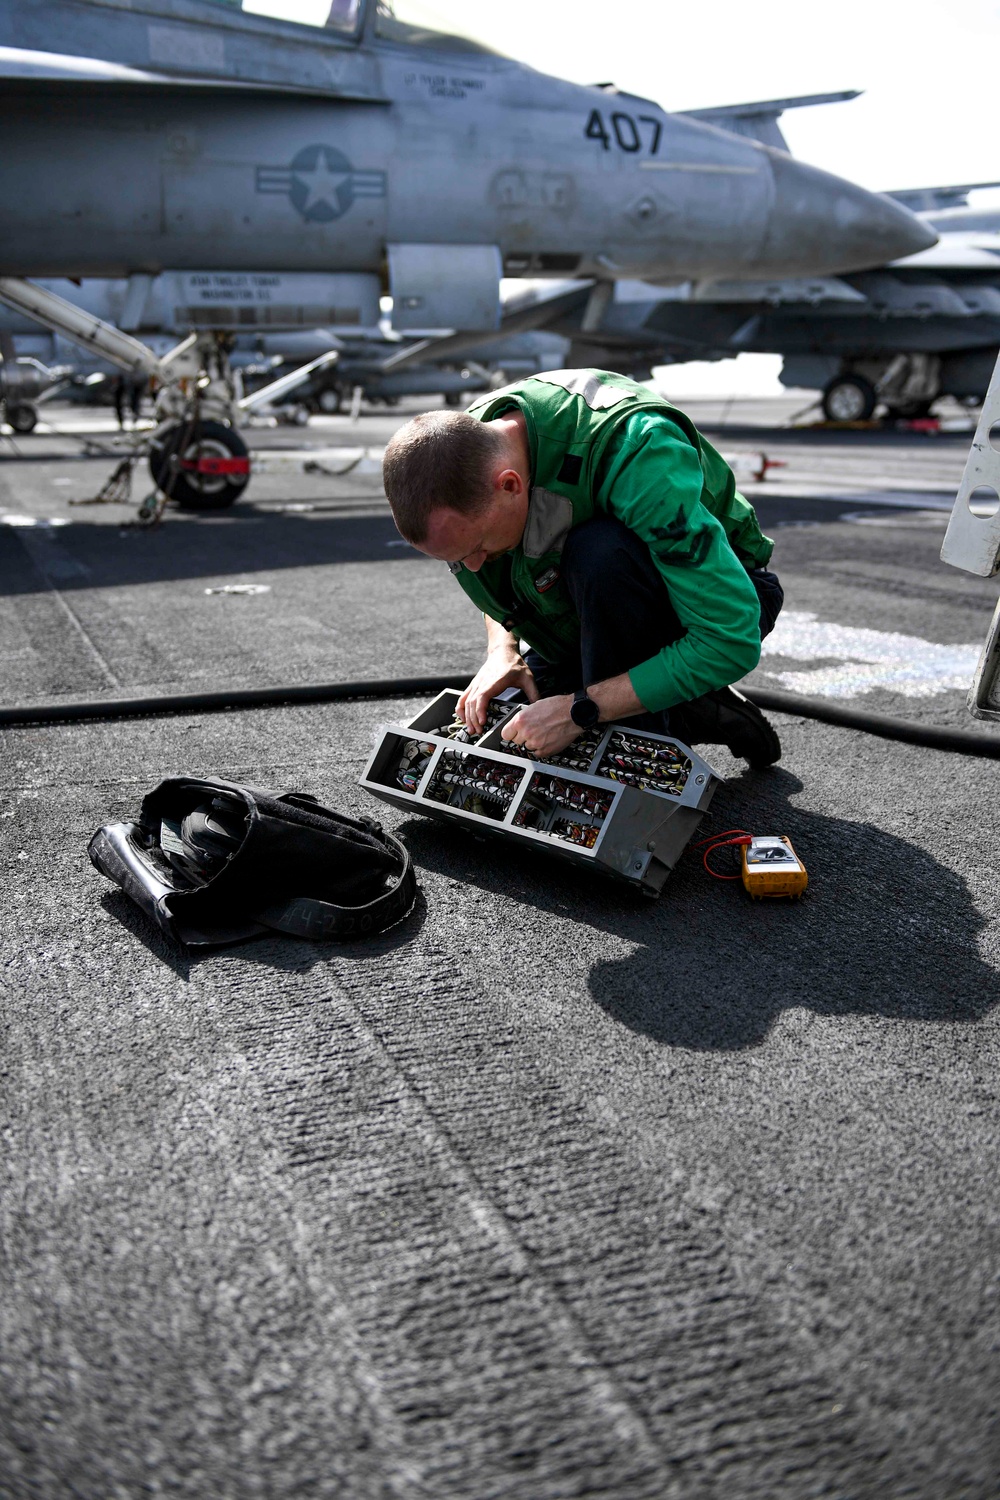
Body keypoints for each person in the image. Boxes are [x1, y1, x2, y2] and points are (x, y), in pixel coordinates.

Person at [381, 368, 784, 766]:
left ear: (509, 485)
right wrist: (502, 652)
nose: (472, 565)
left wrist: (578, 711)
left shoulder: (640, 454)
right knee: (508, 728)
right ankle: (680, 700)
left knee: (600, 553)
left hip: (707, 608)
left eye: (478, 547)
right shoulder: (470, 448)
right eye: (455, 559)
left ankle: (675, 709)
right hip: (583, 614)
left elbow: (729, 639)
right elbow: (497, 575)